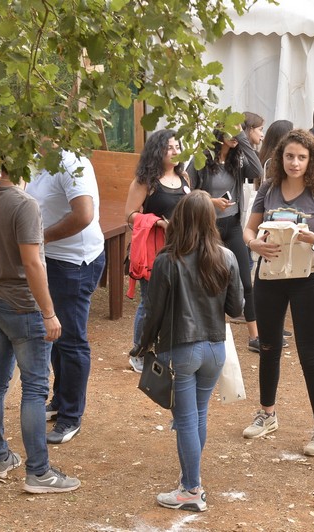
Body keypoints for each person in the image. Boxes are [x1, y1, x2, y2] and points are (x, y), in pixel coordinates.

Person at [0, 168, 80, 493]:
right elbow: (33, 262)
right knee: (35, 390)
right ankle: (39, 472)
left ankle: (0, 458)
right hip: (25, 307)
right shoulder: (25, 204)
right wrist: (48, 312)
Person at [139, 190, 243, 512]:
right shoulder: (227, 257)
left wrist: (143, 346)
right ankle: (189, 477)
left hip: (181, 350)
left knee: (185, 420)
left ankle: (191, 489)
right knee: (197, 415)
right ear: (211, 221)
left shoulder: (167, 261)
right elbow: (236, 308)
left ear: (179, 220)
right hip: (215, 350)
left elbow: (152, 311)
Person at [242, 129, 314, 456]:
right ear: (280, 158)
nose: (295, 162)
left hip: (307, 278)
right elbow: (249, 228)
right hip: (268, 277)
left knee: (309, 353)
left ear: (311, 159)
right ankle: (267, 414)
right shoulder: (268, 188)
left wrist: (310, 239)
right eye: (289, 156)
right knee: (268, 347)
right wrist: (253, 243)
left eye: (302, 157)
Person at [26, 149, 106, 444]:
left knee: (71, 339)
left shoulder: (71, 162)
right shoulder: (37, 158)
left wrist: (42, 236)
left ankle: (71, 416)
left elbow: (84, 214)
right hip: (54, 260)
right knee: (58, 335)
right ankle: (61, 400)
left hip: (75, 262)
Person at [188, 130, 265, 352]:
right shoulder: (202, 157)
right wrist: (211, 201)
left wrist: (242, 139)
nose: (237, 136)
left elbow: (258, 171)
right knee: (210, 280)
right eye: (232, 131)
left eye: (240, 131)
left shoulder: (238, 158)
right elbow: (188, 192)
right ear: (220, 133)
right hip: (208, 227)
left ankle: (254, 336)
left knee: (245, 280)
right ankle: (209, 332)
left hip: (232, 225)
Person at [125, 129, 190, 372]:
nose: (175, 152)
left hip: (181, 249)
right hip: (153, 252)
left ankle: (167, 350)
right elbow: (130, 216)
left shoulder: (184, 178)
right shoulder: (145, 181)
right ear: (158, 151)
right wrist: (158, 222)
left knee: (176, 302)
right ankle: (139, 351)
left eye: (177, 147)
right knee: (150, 303)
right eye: (170, 147)